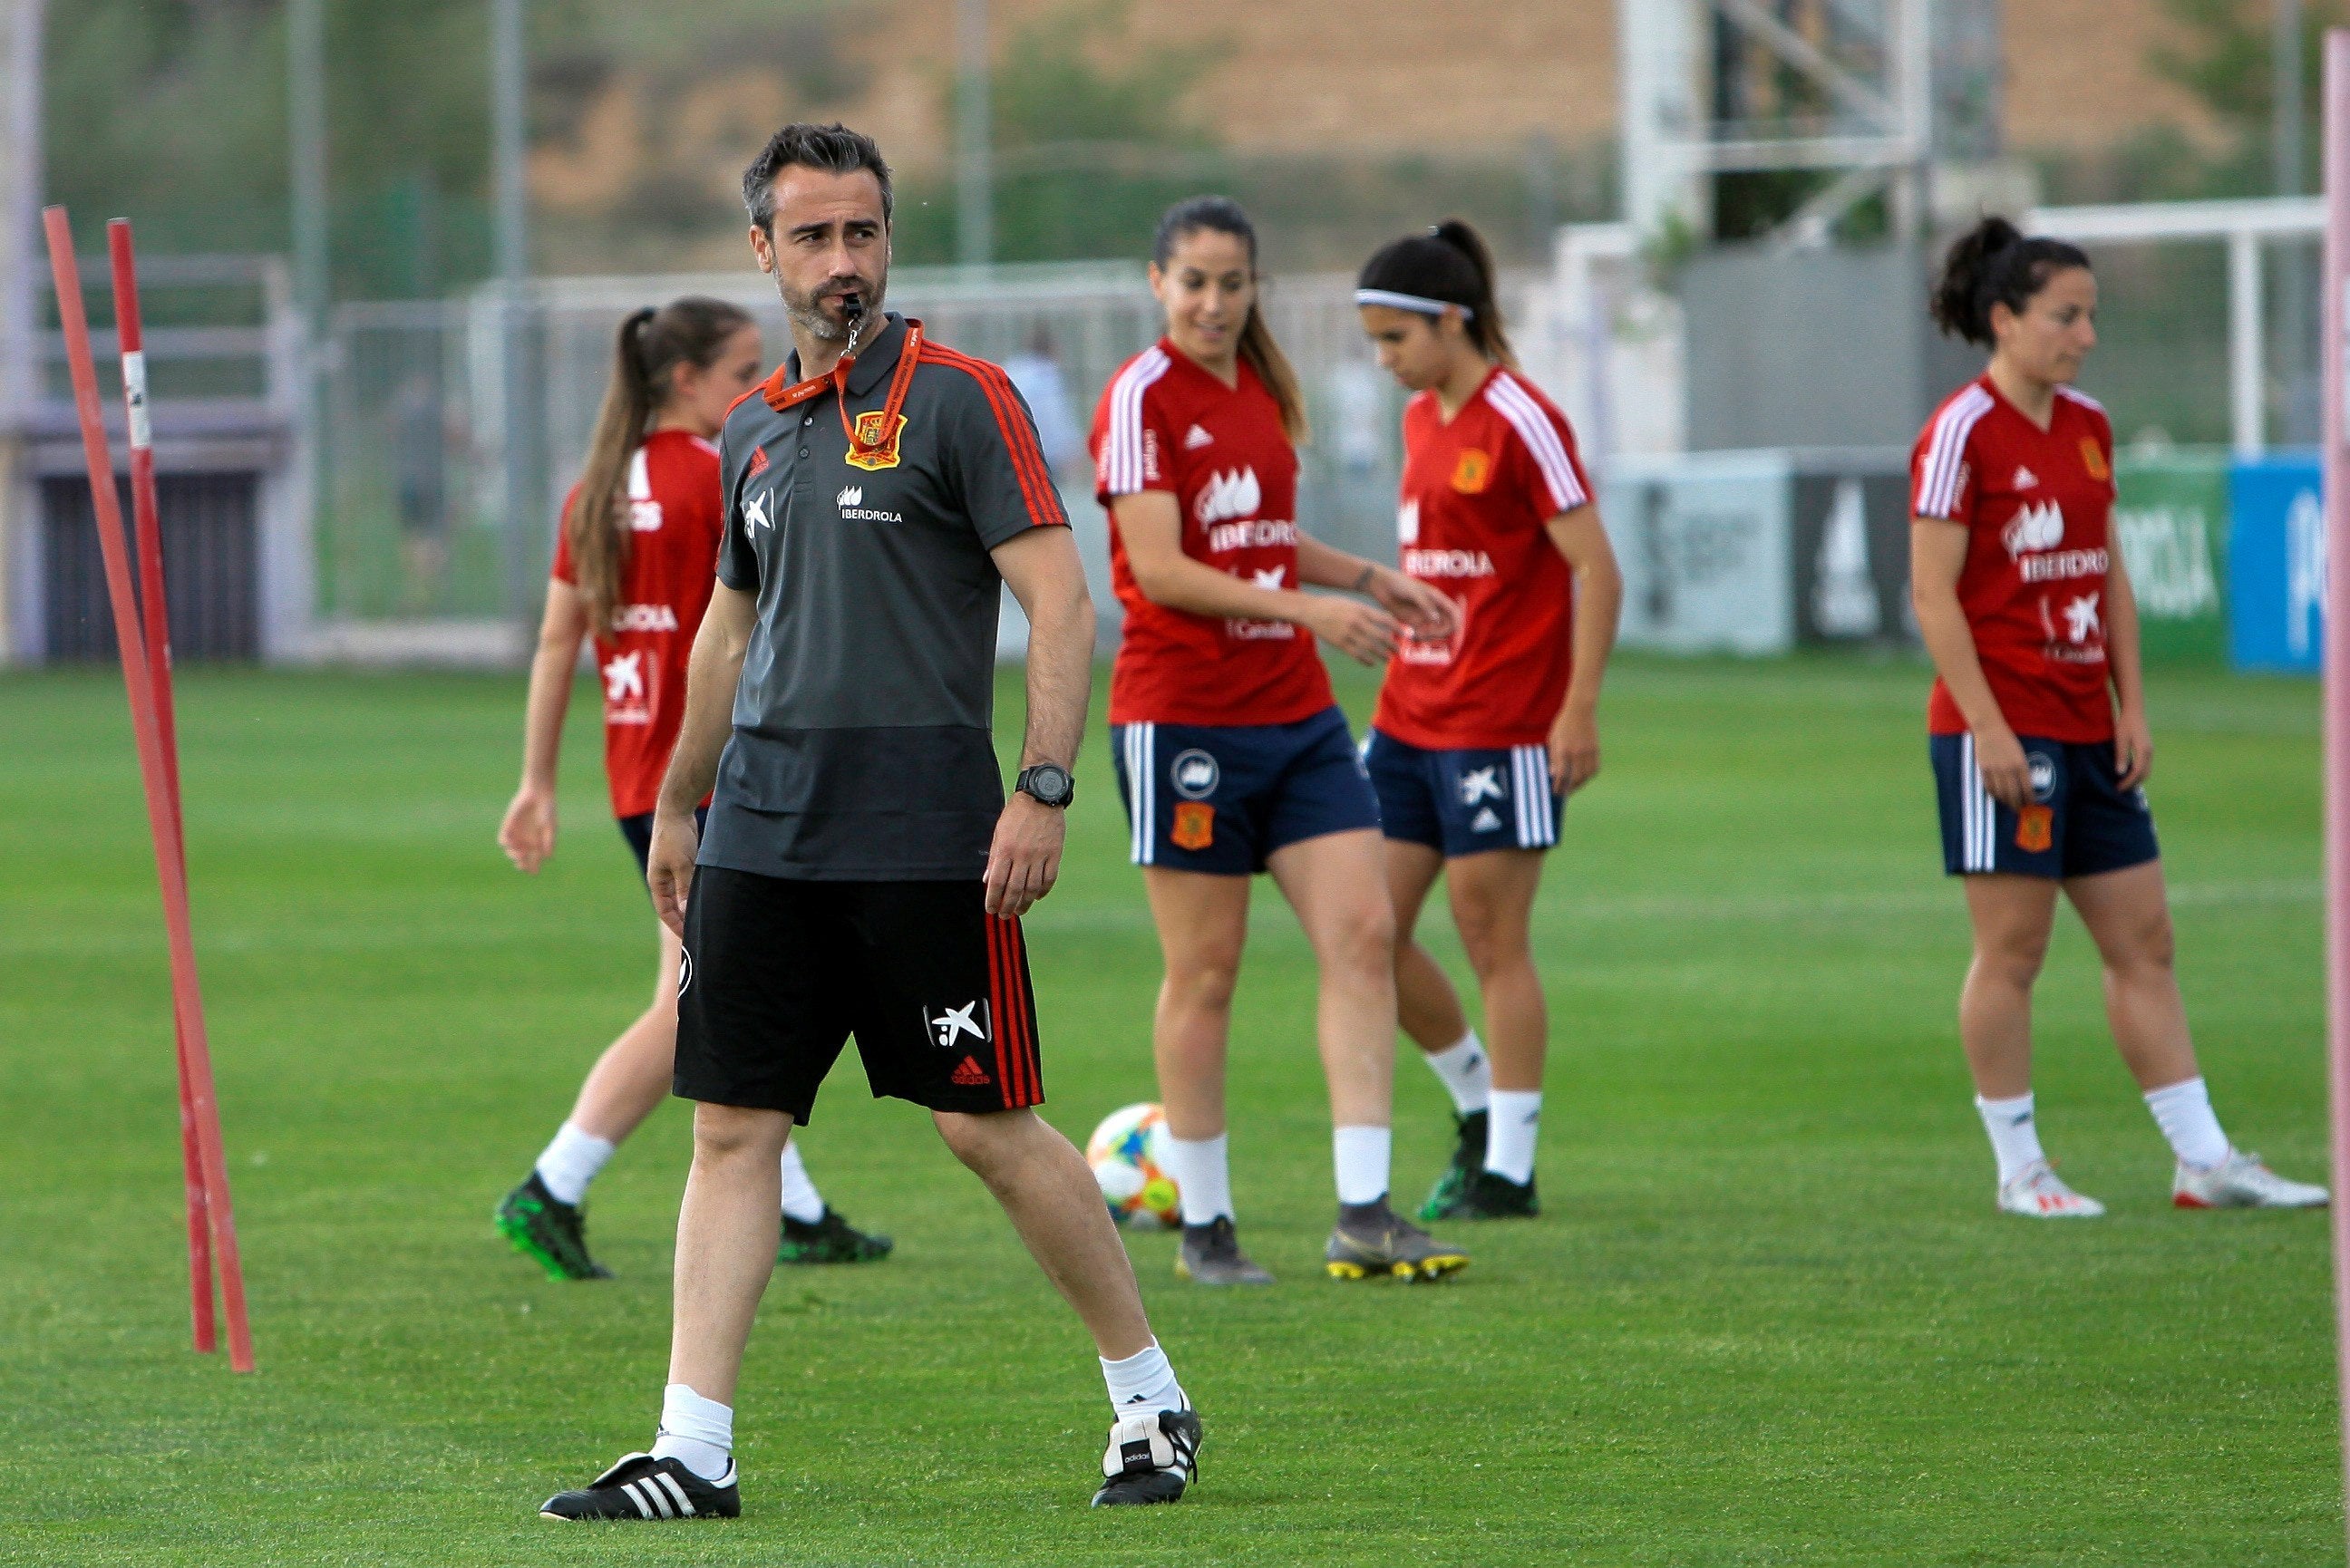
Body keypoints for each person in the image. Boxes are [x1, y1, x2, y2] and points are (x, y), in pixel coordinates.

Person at [539, 123, 1201, 1522]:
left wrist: (1042, 786)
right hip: (760, 831)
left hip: (924, 835)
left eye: (865, 233)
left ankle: (1149, 1397)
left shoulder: (964, 400)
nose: (845, 261)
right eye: (816, 236)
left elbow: (1065, 604)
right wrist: (674, 800)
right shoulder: (753, 428)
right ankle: (692, 1453)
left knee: (988, 1128)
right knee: (732, 1130)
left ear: (887, 242)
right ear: (763, 251)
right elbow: (728, 627)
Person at [1909, 216, 2326, 1218]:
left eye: (2091, 315)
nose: (2086, 334)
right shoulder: (1960, 431)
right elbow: (1933, 597)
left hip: (2089, 730)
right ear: (2004, 319)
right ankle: (2021, 1167)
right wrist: (1991, 729)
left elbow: (2107, 573)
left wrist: (2130, 703)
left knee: (2146, 940)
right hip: (2001, 733)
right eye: (2066, 315)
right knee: (2013, 951)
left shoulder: (2089, 427)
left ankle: (2204, 1158)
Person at [1091, 195, 1471, 1287]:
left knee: (1362, 933)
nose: (1214, 301)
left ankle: (1364, 1209)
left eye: (1234, 282)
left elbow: (1256, 536)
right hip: (1186, 718)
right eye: (1195, 281)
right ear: (1157, 281)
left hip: (1295, 717)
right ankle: (1206, 1226)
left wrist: (1363, 576)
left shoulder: (1260, 388)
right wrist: (1316, 611)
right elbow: (1159, 568)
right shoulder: (1139, 398)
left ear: (1256, 287)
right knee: (1206, 970)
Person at [494, 298, 893, 1279]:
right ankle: (555, 1181)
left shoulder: (592, 488)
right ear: (684, 381)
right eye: (739, 372)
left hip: (637, 774)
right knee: (700, 1004)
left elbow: (558, 641)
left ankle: (792, 1207)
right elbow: (759, 620)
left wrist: (536, 780)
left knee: (703, 988)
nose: (756, 389)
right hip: (709, 775)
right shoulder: (719, 472)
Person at [1354, 220, 1623, 1222]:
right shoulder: (1425, 418)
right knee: (1364, 926)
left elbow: (1597, 567)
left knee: (1489, 932)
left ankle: (1510, 1165)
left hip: (1503, 722)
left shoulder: (1523, 416)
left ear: (1451, 321)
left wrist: (1577, 710)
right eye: (1375, 343)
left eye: (1395, 340)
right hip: (1408, 716)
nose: (1385, 363)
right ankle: (1473, 1102)